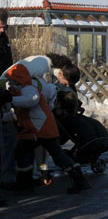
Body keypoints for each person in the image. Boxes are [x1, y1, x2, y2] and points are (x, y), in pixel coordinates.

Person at [3, 63, 90, 193]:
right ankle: (25, 183)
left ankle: (79, 180)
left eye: (12, 81)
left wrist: (11, 100)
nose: (10, 84)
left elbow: (31, 100)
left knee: (57, 156)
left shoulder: (29, 89)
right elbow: (14, 111)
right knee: (22, 152)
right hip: (33, 131)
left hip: (42, 129)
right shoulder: (18, 92)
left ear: (19, 80)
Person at [0, 9, 15, 195]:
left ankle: (5, 179)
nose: (2, 30)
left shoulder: (5, 41)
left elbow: (7, 67)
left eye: (4, 26)